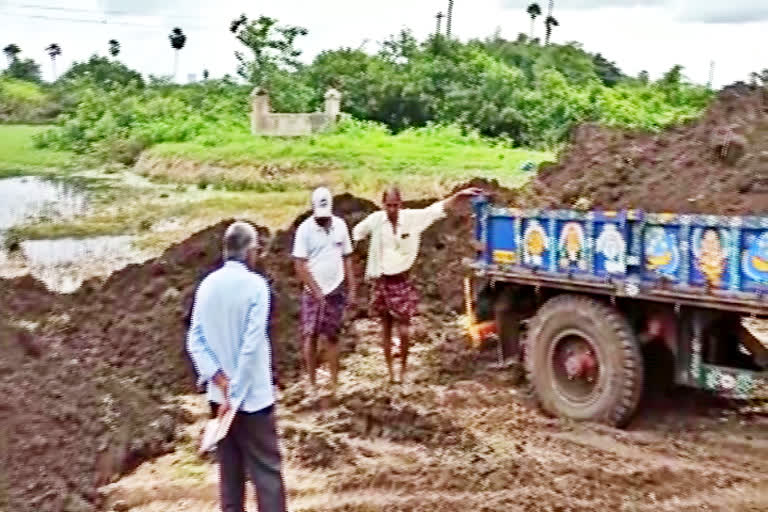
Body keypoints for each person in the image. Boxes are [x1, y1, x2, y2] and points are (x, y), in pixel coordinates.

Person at [186, 221, 287, 512]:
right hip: (253, 399)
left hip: (220, 400)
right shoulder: (256, 287)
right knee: (267, 475)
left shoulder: (206, 286)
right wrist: (237, 392)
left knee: (230, 479)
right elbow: (251, 345)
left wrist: (220, 382)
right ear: (251, 251)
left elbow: (195, 341)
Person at [352, 186, 483, 384]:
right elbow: (356, 234)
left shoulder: (412, 219)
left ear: (401, 204)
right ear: (383, 205)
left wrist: (457, 196)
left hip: (401, 280)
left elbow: (435, 210)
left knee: (404, 328)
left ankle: (403, 370)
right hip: (381, 280)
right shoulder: (376, 221)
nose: (392, 210)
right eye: (388, 206)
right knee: (385, 327)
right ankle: (390, 373)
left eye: (395, 205)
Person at [292, 187, 357, 390]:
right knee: (310, 335)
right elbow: (299, 265)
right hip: (313, 292)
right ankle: (312, 383)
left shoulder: (340, 226)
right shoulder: (304, 230)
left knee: (332, 334)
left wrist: (352, 287)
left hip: (335, 287)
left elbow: (346, 257)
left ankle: (334, 382)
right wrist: (316, 291)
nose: (323, 220)